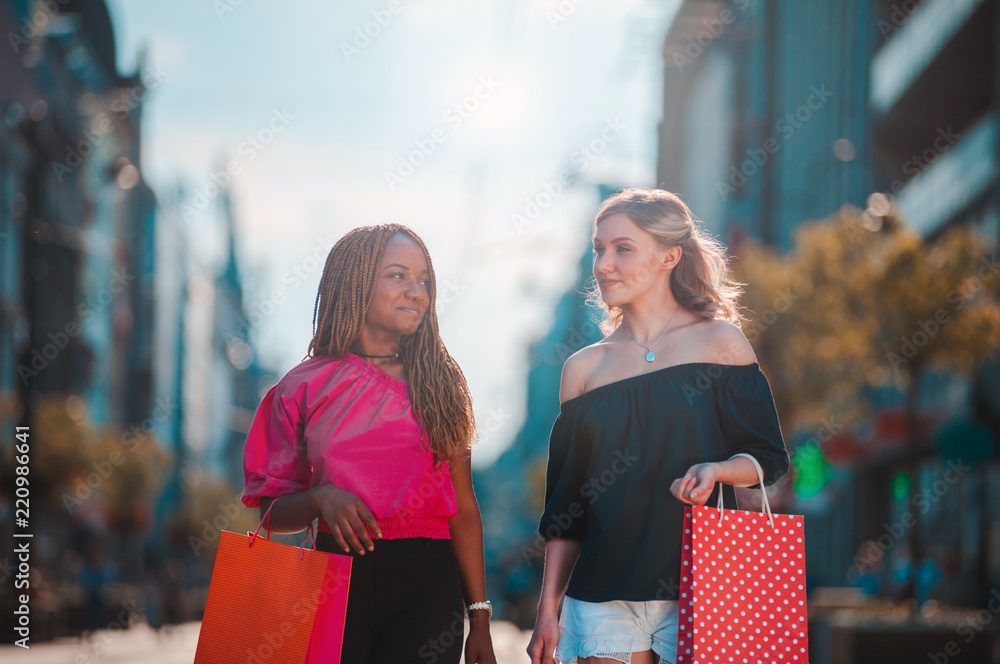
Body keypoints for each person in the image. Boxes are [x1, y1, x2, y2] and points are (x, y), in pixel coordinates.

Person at [526, 188, 790, 664]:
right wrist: (548, 611)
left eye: (623, 248)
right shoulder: (583, 370)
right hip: (602, 594)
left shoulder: (720, 343)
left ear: (670, 255)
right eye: (598, 248)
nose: (604, 264)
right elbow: (567, 509)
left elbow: (766, 458)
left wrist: (717, 471)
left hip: (702, 587)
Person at [241, 223, 497, 663]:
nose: (416, 291)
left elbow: (465, 510)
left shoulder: (440, 383)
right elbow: (271, 512)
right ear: (354, 282)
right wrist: (321, 498)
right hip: (331, 581)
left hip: (429, 586)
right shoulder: (299, 388)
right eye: (398, 275)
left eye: (424, 281)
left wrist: (479, 619)